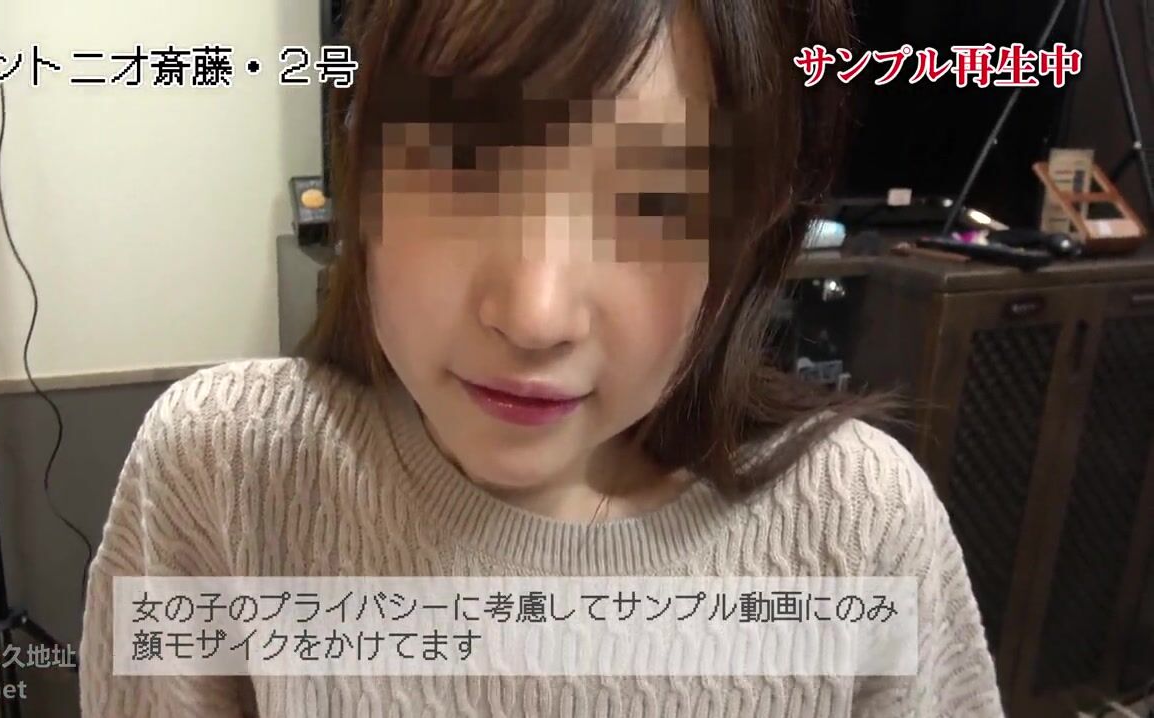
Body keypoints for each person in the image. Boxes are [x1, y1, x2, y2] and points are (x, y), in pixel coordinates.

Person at [80, 0, 1004, 715]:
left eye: (651, 201)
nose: (534, 315)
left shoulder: (859, 531)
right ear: (361, 155)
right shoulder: (227, 472)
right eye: (464, 167)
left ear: (752, 223)